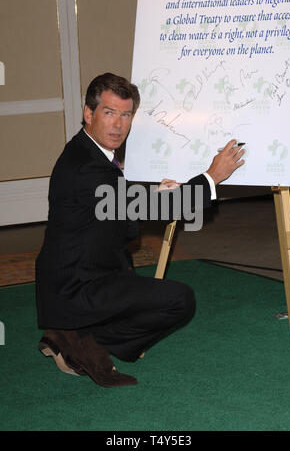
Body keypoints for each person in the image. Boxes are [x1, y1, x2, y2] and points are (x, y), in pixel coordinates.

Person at [35, 72, 245, 387]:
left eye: (126, 114)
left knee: (138, 284)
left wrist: (150, 196)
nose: (118, 125)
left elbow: (115, 206)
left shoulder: (85, 151)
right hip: (76, 290)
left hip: (78, 278)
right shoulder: (88, 165)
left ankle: (76, 334)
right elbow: (149, 206)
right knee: (179, 300)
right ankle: (80, 339)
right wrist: (212, 176)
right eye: (109, 113)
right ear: (89, 114)